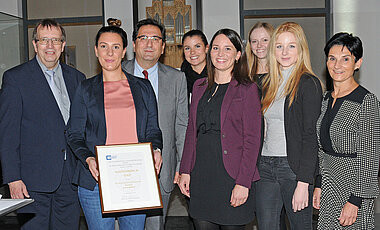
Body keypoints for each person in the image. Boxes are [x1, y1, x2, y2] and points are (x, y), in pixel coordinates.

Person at [67, 19, 163, 230]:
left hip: (135, 179)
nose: (109, 53)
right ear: (96, 50)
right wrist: (88, 158)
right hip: (96, 181)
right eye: (104, 46)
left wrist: (156, 149)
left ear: (124, 51)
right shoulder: (85, 89)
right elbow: (74, 134)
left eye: (116, 47)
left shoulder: (143, 87)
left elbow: (153, 129)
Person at [0, 19, 85, 229]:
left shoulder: (77, 78)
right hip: (31, 181)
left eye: (55, 40)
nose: (50, 46)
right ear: (35, 44)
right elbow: (8, 133)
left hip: (70, 179)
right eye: (44, 40)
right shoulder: (15, 79)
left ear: (63, 45)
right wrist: (13, 178)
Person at [178, 28, 262, 229]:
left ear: (238, 55)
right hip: (201, 176)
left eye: (227, 49)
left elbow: (253, 140)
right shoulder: (199, 86)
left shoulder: (247, 89)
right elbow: (191, 132)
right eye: (216, 48)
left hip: (231, 177)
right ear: (209, 52)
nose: (220, 54)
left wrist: (243, 182)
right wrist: (185, 170)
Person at [255, 22, 322, 230]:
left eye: (291, 46)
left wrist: (304, 182)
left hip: (293, 169)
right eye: (279, 46)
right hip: (265, 167)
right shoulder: (267, 83)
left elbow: (311, 136)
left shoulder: (307, 83)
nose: (285, 52)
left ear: (301, 49)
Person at [121, 18, 188, 230]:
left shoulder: (177, 79)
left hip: (162, 168)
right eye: (143, 38)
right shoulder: (116, 74)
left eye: (155, 39)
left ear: (163, 46)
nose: (149, 44)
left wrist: (181, 167)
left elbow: (182, 126)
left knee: (154, 226)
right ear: (133, 44)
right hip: (123, 168)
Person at [313, 32, 380, 229]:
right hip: (329, 184)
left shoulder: (366, 101)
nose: (337, 65)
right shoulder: (326, 99)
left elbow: (370, 157)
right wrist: (319, 183)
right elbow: (321, 147)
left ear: (357, 63)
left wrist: (356, 200)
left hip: (353, 187)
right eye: (332, 59)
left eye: (345, 59)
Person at [180, 29, 208, 100]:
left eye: (197, 46)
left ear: (206, 48)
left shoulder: (218, 73)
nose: (192, 52)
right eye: (187, 48)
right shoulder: (180, 78)